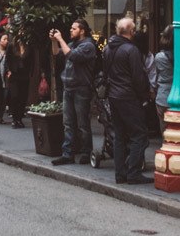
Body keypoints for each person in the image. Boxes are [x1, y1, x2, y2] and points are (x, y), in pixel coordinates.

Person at [104, 17, 152, 184]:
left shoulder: (108, 49)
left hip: (114, 96)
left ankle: (120, 173)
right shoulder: (131, 50)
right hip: (128, 96)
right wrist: (144, 96)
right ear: (131, 32)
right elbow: (138, 77)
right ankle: (133, 172)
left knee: (119, 135)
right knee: (140, 134)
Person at [49, 18, 100, 166]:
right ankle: (68, 154)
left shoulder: (88, 45)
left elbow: (72, 56)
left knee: (82, 123)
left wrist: (60, 38)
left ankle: (86, 152)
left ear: (82, 31)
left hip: (81, 88)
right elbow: (57, 53)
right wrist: (54, 40)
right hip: (68, 87)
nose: (71, 30)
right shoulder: (72, 44)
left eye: (74, 28)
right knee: (68, 123)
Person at [4, 36, 29, 129]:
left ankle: (19, 119)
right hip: (14, 74)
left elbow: (31, 59)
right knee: (15, 96)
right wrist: (8, 71)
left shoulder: (28, 45)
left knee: (23, 97)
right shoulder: (11, 46)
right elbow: (7, 59)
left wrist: (31, 72)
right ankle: (14, 119)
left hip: (24, 75)